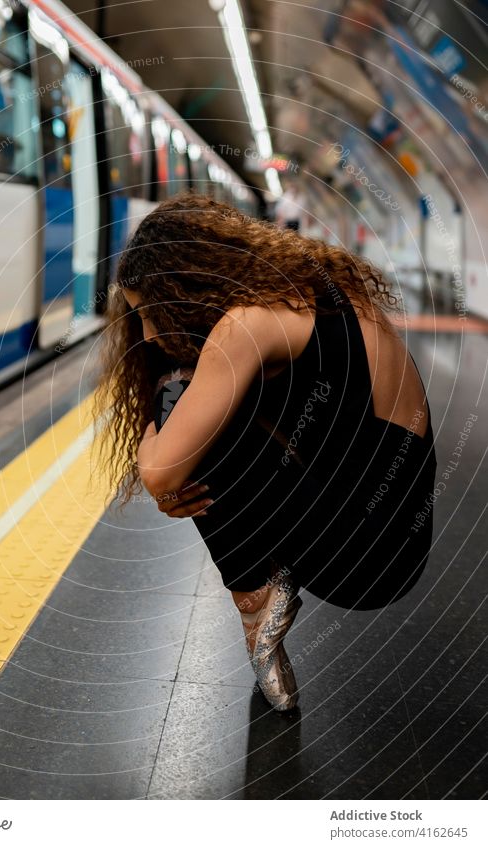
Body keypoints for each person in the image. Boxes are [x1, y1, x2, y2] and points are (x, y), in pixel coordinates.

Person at [91, 190, 437, 713]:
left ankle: (255, 599)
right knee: (199, 400)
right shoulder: (317, 293)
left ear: (181, 290)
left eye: (147, 312)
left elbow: (161, 474)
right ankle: (260, 597)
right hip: (398, 534)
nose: (146, 332)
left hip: (364, 556)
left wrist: (150, 444)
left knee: (175, 399)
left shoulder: (245, 326)